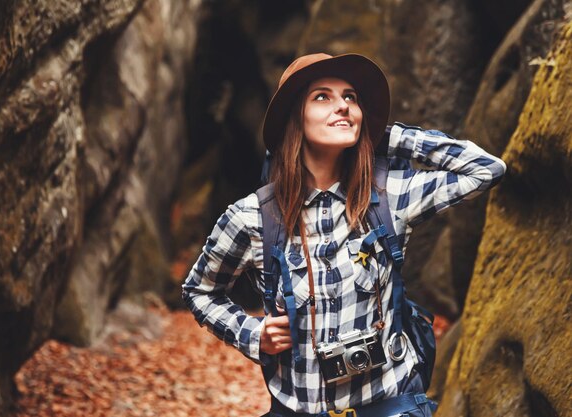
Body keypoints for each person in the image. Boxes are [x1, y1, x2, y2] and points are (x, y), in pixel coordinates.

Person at [182, 53, 506, 416]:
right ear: (295, 117)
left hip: (389, 405)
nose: (343, 106)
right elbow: (199, 289)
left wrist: (388, 135)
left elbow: (486, 169)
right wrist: (253, 335)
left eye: (351, 97)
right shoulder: (254, 217)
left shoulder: (390, 195)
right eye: (323, 96)